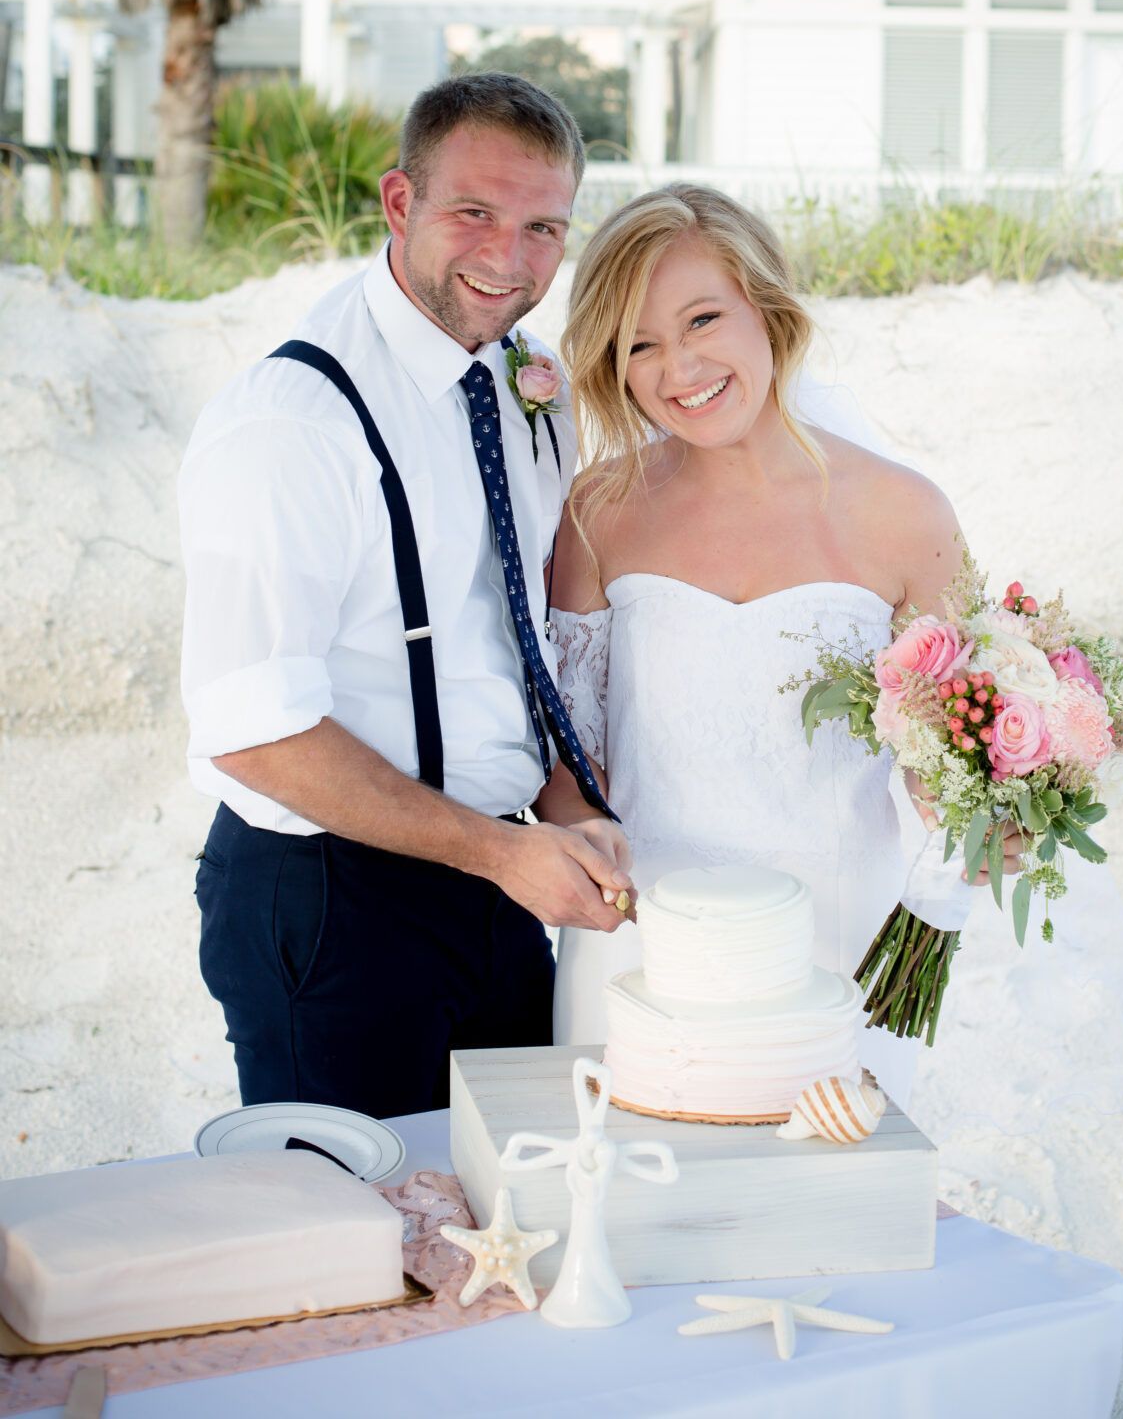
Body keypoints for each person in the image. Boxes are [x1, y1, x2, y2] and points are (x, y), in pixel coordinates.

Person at [179, 73, 632, 1120]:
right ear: (399, 203)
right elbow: (255, 735)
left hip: (498, 878)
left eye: (543, 228)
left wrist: (566, 813)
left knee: (507, 1216)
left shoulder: (530, 385)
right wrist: (503, 852)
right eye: (475, 213)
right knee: (360, 1250)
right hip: (331, 898)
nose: (508, 260)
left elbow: (519, 634)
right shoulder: (294, 422)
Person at [541, 184, 1022, 1106]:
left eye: (703, 319)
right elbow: (570, 770)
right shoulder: (600, 510)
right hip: (642, 954)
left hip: (835, 944)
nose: (678, 367)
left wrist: (995, 812)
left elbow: (940, 762)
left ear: (766, 308)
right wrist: (596, 869)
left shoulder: (903, 512)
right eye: (639, 344)